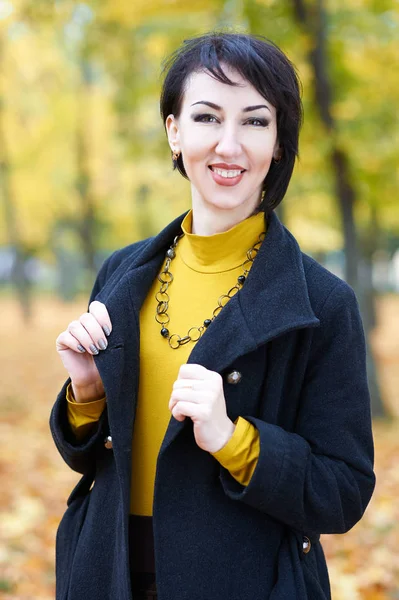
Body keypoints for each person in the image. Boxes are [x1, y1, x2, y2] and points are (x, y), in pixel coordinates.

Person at [51, 31, 375, 600]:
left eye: (254, 121)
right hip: (105, 575)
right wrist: (86, 392)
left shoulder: (323, 305)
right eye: (206, 117)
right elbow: (92, 457)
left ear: (278, 143)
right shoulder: (123, 275)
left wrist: (234, 439)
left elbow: (342, 491)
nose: (229, 145)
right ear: (174, 133)